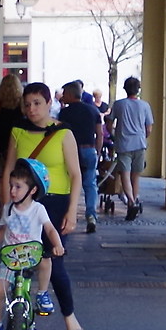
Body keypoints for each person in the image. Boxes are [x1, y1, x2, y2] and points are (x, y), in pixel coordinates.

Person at [3, 83, 85, 330]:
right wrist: (7, 206)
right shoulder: (18, 131)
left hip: (56, 203)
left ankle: (69, 315)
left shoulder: (63, 133)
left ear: (50, 103)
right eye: (27, 104)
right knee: (16, 262)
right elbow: (8, 169)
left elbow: (75, 174)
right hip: (25, 205)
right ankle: (13, 322)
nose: (32, 109)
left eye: (37, 103)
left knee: (54, 262)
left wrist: (72, 211)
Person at [0, 159, 66, 330]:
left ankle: (42, 294)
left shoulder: (38, 209)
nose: (12, 191)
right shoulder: (9, 208)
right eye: (11, 186)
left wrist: (57, 245)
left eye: (18, 187)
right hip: (11, 258)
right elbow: (3, 230)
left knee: (46, 260)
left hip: (31, 256)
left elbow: (50, 229)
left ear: (32, 190)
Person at [57, 81, 105, 233]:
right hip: (89, 150)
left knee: (70, 183)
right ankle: (91, 215)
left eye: (64, 93)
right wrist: (97, 151)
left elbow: (60, 134)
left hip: (71, 152)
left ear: (71, 94)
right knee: (90, 184)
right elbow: (100, 134)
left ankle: (68, 213)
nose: (63, 96)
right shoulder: (93, 111)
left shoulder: (65, 113)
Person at [108, 77, 154, 220]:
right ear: (138, 89)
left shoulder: (118, 104)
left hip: (123, 144)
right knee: (136, 176)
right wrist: (143, 136)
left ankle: (131, 203)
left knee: (125, 175)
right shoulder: (145, 105)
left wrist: (114, 135)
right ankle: (133, 202)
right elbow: (149, 128)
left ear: (124, 88)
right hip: (140, 144)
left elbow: (109, 123)